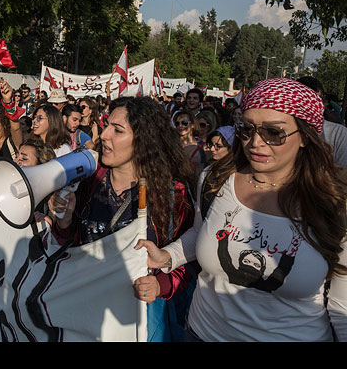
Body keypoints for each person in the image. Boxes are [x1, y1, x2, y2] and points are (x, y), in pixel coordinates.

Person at [136, 78, 347, 342]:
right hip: (201, 334)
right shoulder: (216, 178)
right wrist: (166, 257)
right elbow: (201, 233)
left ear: (305, 136)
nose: (255, 142)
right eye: (246, 129)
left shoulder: (335, 201)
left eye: (273, 132)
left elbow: (342, 305)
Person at [47, 96, 196, 341]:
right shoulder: (88, 182)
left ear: (143, 140)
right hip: (83, 312)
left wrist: (161, 285)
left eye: (117, 130)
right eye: (106, 125)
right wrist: (63, 220)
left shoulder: (173, 195)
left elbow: (188, 257)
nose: (104, 135)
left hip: (137, 319)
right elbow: (67, 248)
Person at [173, 110, 206, 176]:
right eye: (177, 124)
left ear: (193, 125)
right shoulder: (172, 144)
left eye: (184, 123)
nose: (180, 126)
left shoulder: (202, 145)